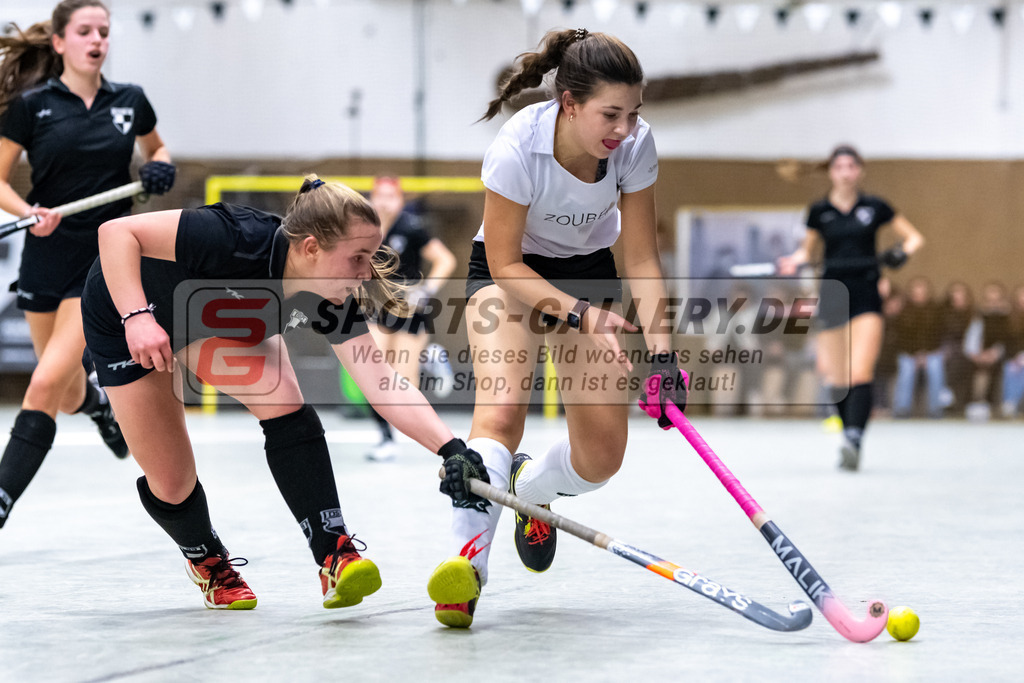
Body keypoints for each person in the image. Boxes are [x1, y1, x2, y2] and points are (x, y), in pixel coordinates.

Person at [80, 176, 489, 610]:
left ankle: (334, 553)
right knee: (172, 481)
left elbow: (381, 382)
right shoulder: (236, 237)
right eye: (358, 257)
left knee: (282, 398)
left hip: (212, 324)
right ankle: (206, 559)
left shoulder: (331, 296)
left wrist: (451, 450)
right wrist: (136, 316)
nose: (367, 272)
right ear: (311, 248)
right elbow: (115, 232)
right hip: (126, 309)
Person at [426, 28, 687, 629]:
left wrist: (662, 356)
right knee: (501, 409)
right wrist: (578, 313)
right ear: (569, 103)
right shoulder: (517, 148)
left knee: (602, 458)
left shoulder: (635, 147)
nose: (623, 129)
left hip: (590, 271)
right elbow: (505, 263)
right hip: (509, 273)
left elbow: (643, 258)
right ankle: (465, 572)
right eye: (610, 114)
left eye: (633, 113)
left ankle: (532, 491)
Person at [0, 0, 176, 529]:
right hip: (45, 258)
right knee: (69, 388)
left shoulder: (130, 101)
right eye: (84, 31)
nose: (96, 39)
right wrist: (29, 212)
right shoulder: (32, 106)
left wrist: (159, 170)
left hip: (103, 262)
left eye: (103, 31)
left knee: (43, 385)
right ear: (59, 43)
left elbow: (159, 151)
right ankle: (99, 405)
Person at [778, 145, 924, 471]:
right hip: (832, 293)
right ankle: (848, 435)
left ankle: (855, 437)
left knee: (860, 371)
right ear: (831, 172)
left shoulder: (875, 207)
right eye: (839, 167)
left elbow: (914, 238)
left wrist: (901, 252)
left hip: (866, 292)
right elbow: (807, 252)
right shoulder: (819, 211)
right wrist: (794, 261)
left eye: (851, 166)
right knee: (836, 375)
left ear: (859, 171)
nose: (845, 172)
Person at [364, 175, 457, 462]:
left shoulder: (412, 227)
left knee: (404, 382)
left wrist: (427, 289)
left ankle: (428, 356)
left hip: (409, 310)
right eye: (379, 195)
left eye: (391, 196)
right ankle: (386, 438)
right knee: (372, 372)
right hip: (377, 309)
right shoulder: (363, 229)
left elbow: (445, 259)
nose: (384, 201)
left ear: (400, 200)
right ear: (370, 198)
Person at [891, 276, 945, 418]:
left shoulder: (936, 310)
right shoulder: (903, 310)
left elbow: (938, 333)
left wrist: (925, 354)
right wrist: (914, 354)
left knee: (936, 369)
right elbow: (901, 336)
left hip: (931, 352)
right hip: (908, 352)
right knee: (906, 370)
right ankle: (902, 408)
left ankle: (936, 408)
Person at [963, 281, 1011, 421]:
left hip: (1001, 354)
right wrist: (976, 354)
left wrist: (995, 353)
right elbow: (971, 338)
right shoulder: (978, 316)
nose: (992, 303)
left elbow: (1007, 340)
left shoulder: (1007, 318)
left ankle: (1000, 406)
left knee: (1001, 368)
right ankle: (977, 402)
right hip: (979, 354)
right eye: (989, 300)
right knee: (977, 369)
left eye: (996, 300)